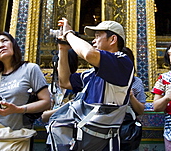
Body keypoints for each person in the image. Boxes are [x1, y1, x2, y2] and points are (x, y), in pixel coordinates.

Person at [57, 18, 134, 150]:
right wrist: (63, 49)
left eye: (98, 36)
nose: (93, 41)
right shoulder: (91, 73)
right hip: (84, 139)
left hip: (104, 143)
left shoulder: (123, 62)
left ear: (112, 40)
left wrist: (69, 34)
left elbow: (88, 54)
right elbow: (64, 82)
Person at [120, 47, 145, 151]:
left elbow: (140, 110)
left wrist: (131, 96)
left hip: (127, 129)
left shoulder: (136, 82)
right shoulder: (104, 79)